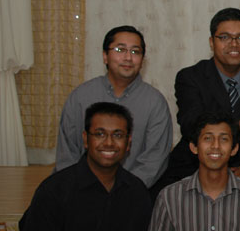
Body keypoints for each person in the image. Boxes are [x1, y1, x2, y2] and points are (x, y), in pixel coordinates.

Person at [21, 102, 152, 231]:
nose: (109, 142)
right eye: (99, 134)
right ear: (85, 139)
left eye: (118, 135)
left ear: (128, 143)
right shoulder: (54, 190)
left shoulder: (137, 192)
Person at [155, 8, 240, 190]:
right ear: (211, 42)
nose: (234, 44)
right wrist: (235, 130)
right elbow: (191, 126)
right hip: (194, 170)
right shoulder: (191, 78)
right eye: (224, 37)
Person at [54, 25, 173, 187]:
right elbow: (67, 154)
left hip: (133, 192)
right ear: (105, 56)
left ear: (142, 61)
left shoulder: (155, 103)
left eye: (135, 51)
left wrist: (121, 192)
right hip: (80, 189)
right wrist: (82, 190)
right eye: (120, 50)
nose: (128, 57)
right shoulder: (80, 97)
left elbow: (153, 161)